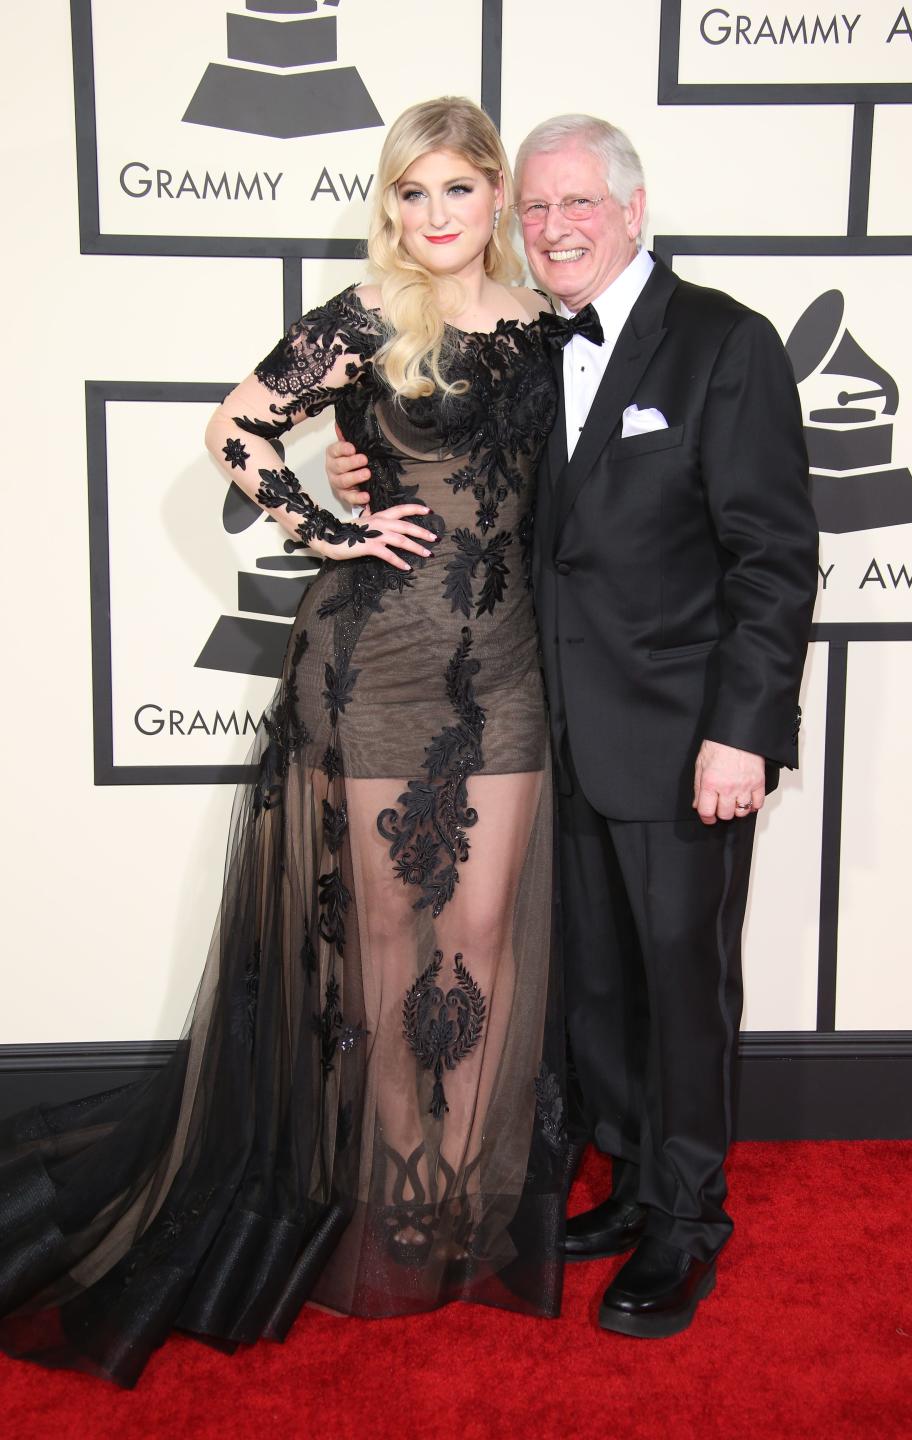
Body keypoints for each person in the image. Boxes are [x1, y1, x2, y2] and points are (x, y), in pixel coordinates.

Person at [0, 97, 567, 1388]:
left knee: (478, 936)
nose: (434, 217)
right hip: (373, 663)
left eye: (456, 192)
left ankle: (464, 1186)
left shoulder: (548, 330)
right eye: (410, 194)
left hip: (507, 671)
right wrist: (331, 520)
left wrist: (352, 453)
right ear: (393, 207)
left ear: (493, 197)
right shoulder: (366, 323)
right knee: (380, 941)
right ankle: (397, 1178)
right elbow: (230, 429)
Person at [326, 114, 820, 1339]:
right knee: (595, 991)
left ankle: (688, 1220)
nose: (552, 228)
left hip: (682, 741)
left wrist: (743, 732)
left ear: (634, 212)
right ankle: (626, 1179)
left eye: (577, 206)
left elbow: (773, 557)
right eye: (536, 208)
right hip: (547, 730)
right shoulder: (531, 342)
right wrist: (357, 471)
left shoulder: (725, 344)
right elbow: (466, 471)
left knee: (682, 989)